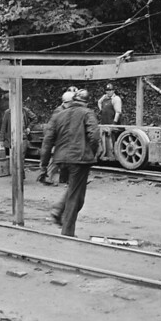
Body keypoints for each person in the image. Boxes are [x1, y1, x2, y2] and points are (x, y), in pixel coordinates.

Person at [39, 88, 100, 237]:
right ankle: (67, 233)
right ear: (86, 102)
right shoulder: (87, 113)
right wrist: (89, 152)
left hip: (61, 159)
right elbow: (95, 136)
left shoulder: (58, 115)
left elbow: (47, 141)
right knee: (76, 198)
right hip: (79, 160)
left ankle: (58, 211)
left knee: (75, 192)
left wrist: (43, 165)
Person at [39, 87, 77, 185]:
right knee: (56, 159)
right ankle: (45, 176)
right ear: (67, 102)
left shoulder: (71, 110)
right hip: (56, 139)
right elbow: (50, 133)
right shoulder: (59, 112)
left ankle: (66, 179)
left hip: (63, 140)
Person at [0, 101, 37, 178]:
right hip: (13, 138)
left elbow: (34, 118)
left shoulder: (25, 111)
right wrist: (1, 140)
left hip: (23, 137)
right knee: (15, 156)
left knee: (21, 157)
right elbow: (3, 126)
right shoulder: (8, 113)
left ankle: (20, 176)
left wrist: (29, 127)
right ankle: (19, 175)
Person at [96, 83, 123, 158]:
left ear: (113, 91)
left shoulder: (116, 99)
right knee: (104, 138)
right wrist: (101, 109)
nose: (109, 92)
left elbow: (118, 112)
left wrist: (114, 123)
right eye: (107, 90)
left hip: (113, 122)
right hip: (105, 121)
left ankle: (115, 155)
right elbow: (99, 102)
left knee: (113, 138)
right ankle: (106, 154)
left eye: (110, 90)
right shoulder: (104, 97)